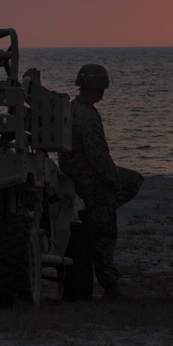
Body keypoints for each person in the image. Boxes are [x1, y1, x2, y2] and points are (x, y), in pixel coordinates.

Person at [59, 63, 143, 300]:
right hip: (91, 179)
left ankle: (96, 212)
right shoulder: (88, 115)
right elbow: (98, 156)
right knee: (105, 230)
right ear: (100, 88)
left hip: (76, 174)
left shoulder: (70, 109)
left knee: (131, 181)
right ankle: (110, 285)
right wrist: (112, 180)